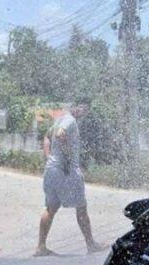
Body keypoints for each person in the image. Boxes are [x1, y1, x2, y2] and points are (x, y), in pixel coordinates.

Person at [35, 106, 105, 257]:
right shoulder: (70, 120)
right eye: (82, 108)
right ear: (75, 107)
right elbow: (60, 135)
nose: (84, 112)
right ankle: (91, 244)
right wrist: (67, 158)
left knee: (51, 208)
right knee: (81, 207)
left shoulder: (60, 119)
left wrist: (49, 158)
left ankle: (41, 247)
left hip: (51, 169)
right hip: (66, 171)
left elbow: (47, 137)